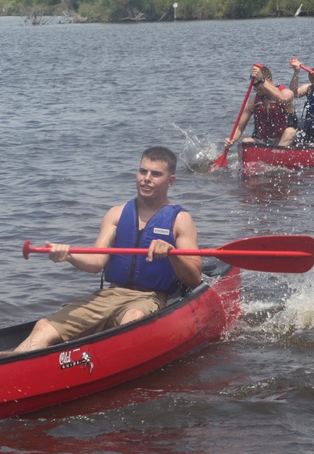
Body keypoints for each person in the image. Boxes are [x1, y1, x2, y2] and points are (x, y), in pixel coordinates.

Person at [15, 146, 203, 352]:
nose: (146, 178)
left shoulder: (180, 220)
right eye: (143, 171)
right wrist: (69, 255)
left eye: (156, 174)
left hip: (150, 297)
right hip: (110, 295)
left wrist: (171, 255)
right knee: (43, 327)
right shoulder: (116, 214)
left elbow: (194, 278)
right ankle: (9, 373)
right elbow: (96, 263)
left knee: (133, 319)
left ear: (171, 181)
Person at [223, 63, 298, 149]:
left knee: (290, 132)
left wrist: (262, 80)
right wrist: (231, 140)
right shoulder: (252, 101)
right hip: (263, 142)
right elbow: (239, 127)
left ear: (267, 80)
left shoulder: (286, 93)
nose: (254, 88)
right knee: (246, 141)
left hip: (284, 141)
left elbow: (283, 99)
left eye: (257, 84)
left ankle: (276, 156)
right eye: (253, 85)